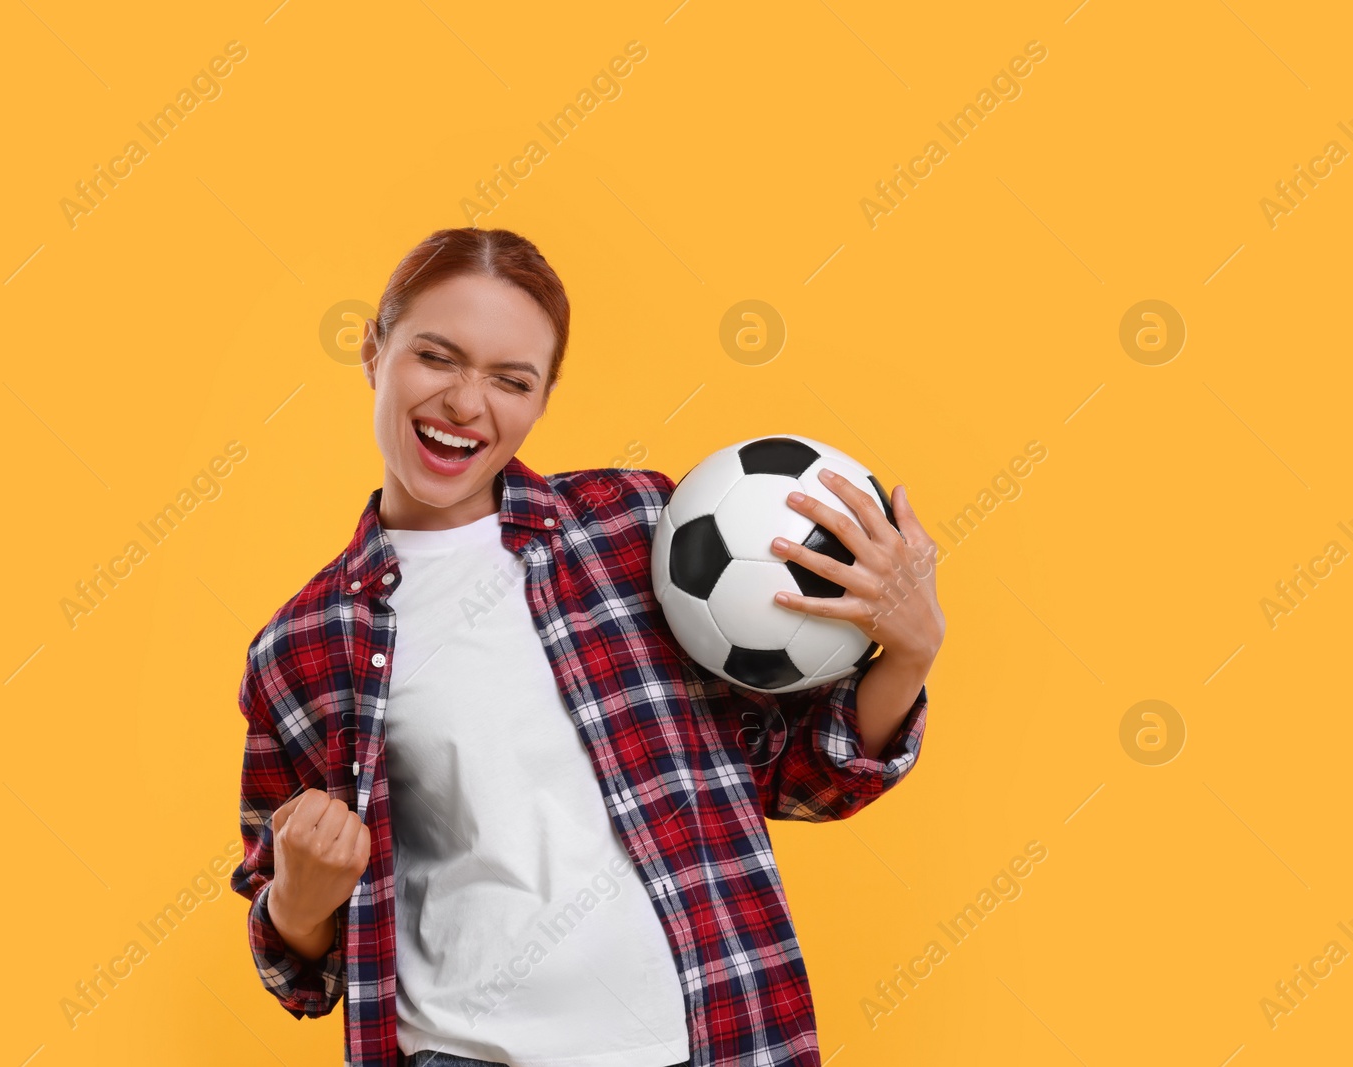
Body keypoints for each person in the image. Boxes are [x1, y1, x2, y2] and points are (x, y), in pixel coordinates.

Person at [229, 227, 945, 1067]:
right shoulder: (302, 645)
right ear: (373, 350)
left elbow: (796, 777)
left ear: (541, 399)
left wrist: (908, 655)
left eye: (510, 379)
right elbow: (297, 973)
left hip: (716, 1039)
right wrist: (299, 903)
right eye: (436, 356)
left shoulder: (640, 530)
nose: (466, 403)